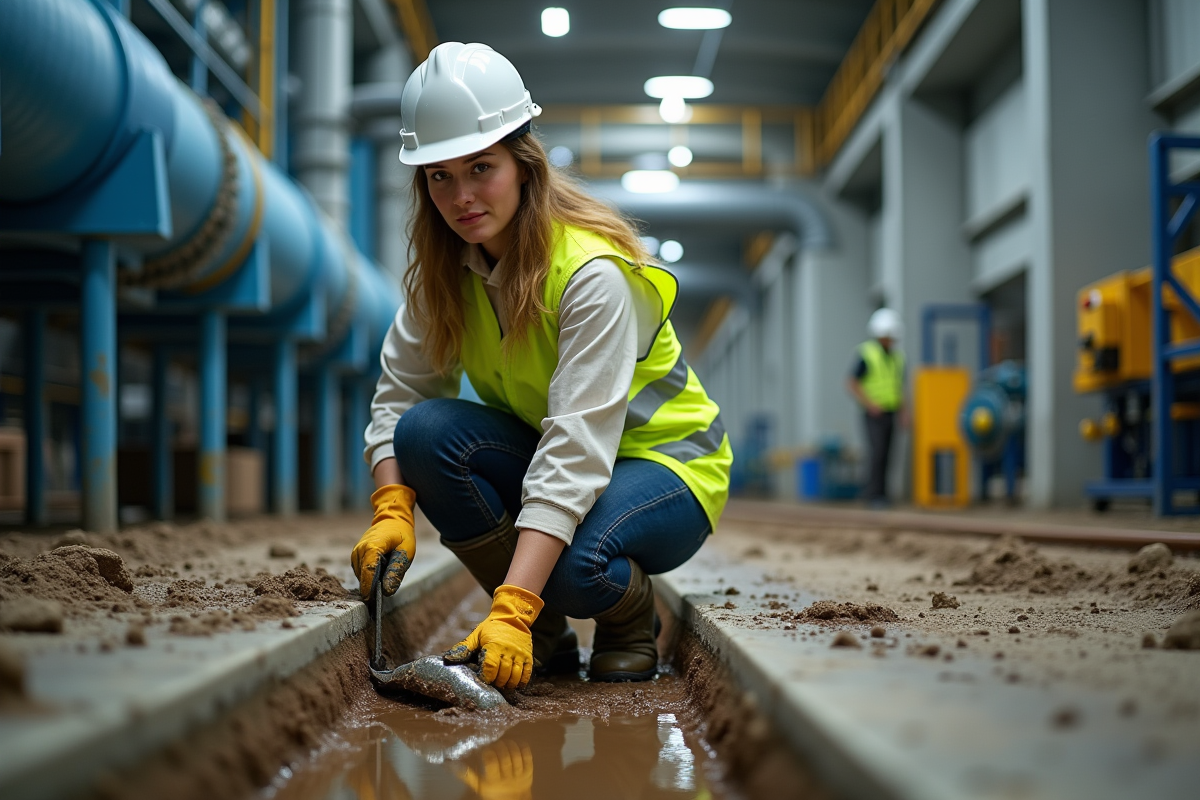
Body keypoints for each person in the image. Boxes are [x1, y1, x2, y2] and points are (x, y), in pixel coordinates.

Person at [350, 43, 732, 691]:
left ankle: (628, 616)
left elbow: (575, 452)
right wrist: (391, 505)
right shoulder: (444, 276)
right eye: (439, 176)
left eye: (480, 168)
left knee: (572, 569)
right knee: (424, 434)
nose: (462, 195)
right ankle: (549, 636)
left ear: (524, 164)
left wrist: (511, 606)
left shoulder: (591, 274)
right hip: (575, 456)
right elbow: (399, 399)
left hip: (669, 466)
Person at [846, 308, 908, 507]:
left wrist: (904, 411)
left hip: (891, 411)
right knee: (877, 453)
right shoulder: (866, 354)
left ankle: (883, 495)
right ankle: (872, 495)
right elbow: (852, 382)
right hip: (873, 414)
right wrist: (870, 404)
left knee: (889, 454)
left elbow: (899, 386)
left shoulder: (898, 358)